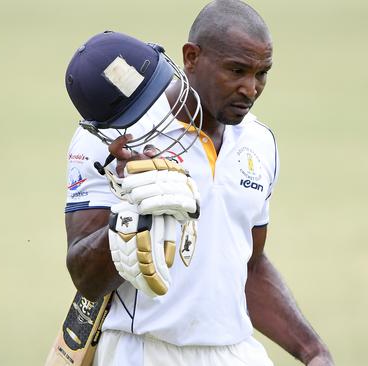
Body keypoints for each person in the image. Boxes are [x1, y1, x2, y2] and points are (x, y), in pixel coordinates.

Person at [64, 1, 334, 365]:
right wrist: (132, 216)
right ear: (191, 57)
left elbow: (248, 265)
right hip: (142, 348)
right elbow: (85, 277)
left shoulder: (260, 142)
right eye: (236, 70)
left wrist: (312, 351)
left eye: (262, 73)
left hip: (235, 352)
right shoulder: (115, 138)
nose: (250, 89)